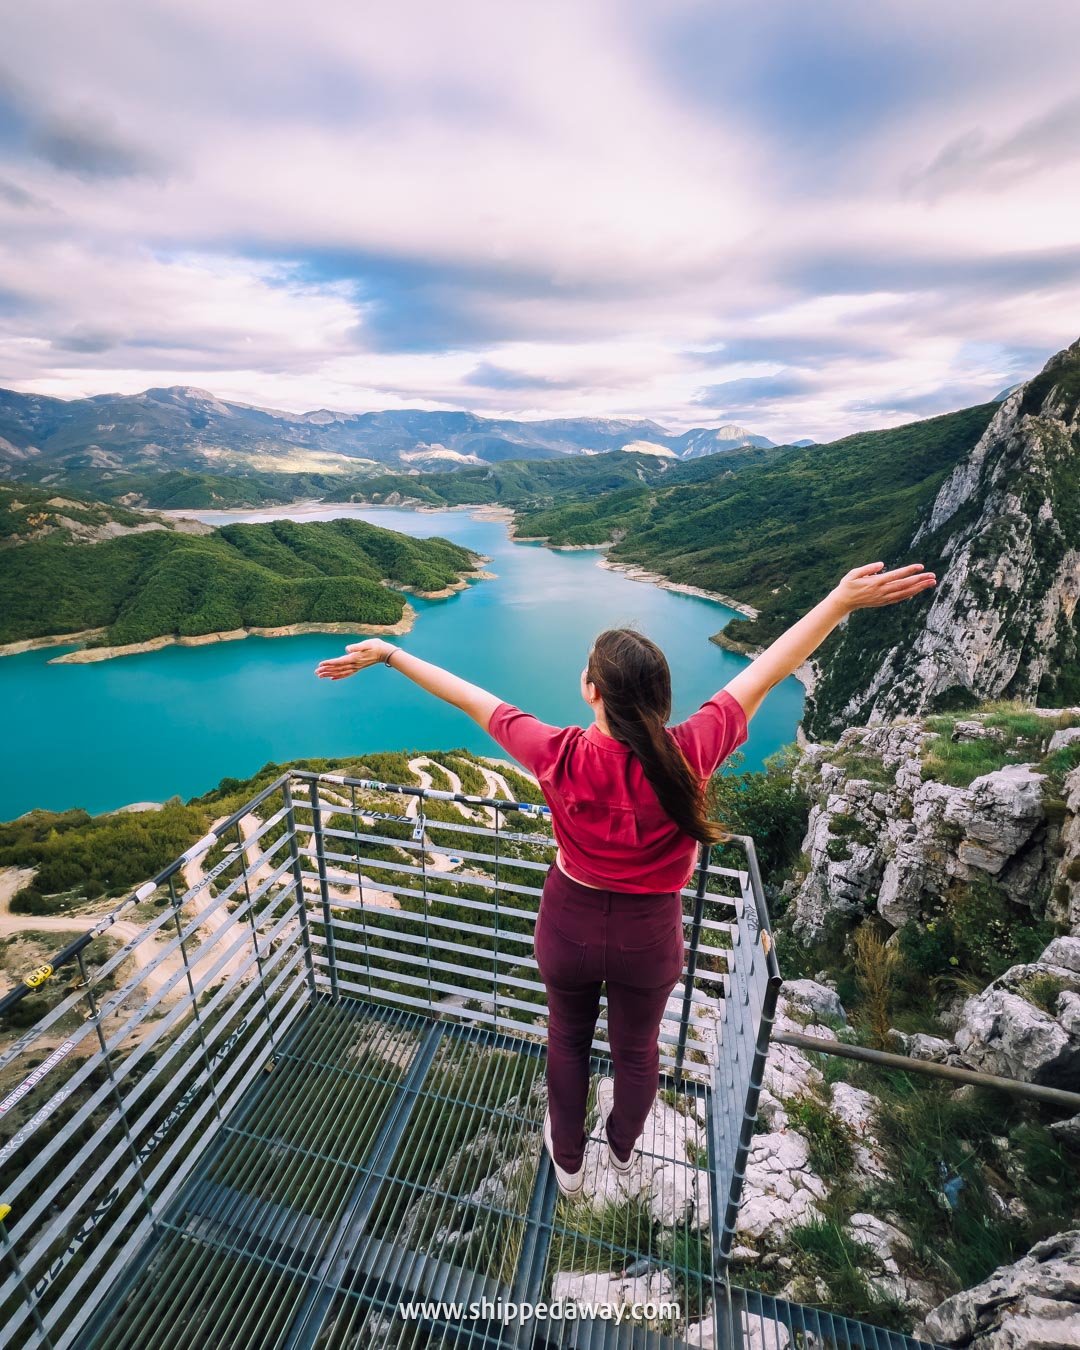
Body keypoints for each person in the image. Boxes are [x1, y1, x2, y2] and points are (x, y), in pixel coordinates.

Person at [315, 560, 935, 1197]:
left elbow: (466, 695)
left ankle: (568, 1158)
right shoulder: (694, 749)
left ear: (592, 690)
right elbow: (770, 667)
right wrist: (838, 601)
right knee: (638, 1052)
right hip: (649, 936)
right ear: (661, 699)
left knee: (567, 1040)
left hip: (568, 924)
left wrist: (390, 654)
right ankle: (621, 1149)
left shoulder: (555, 753)